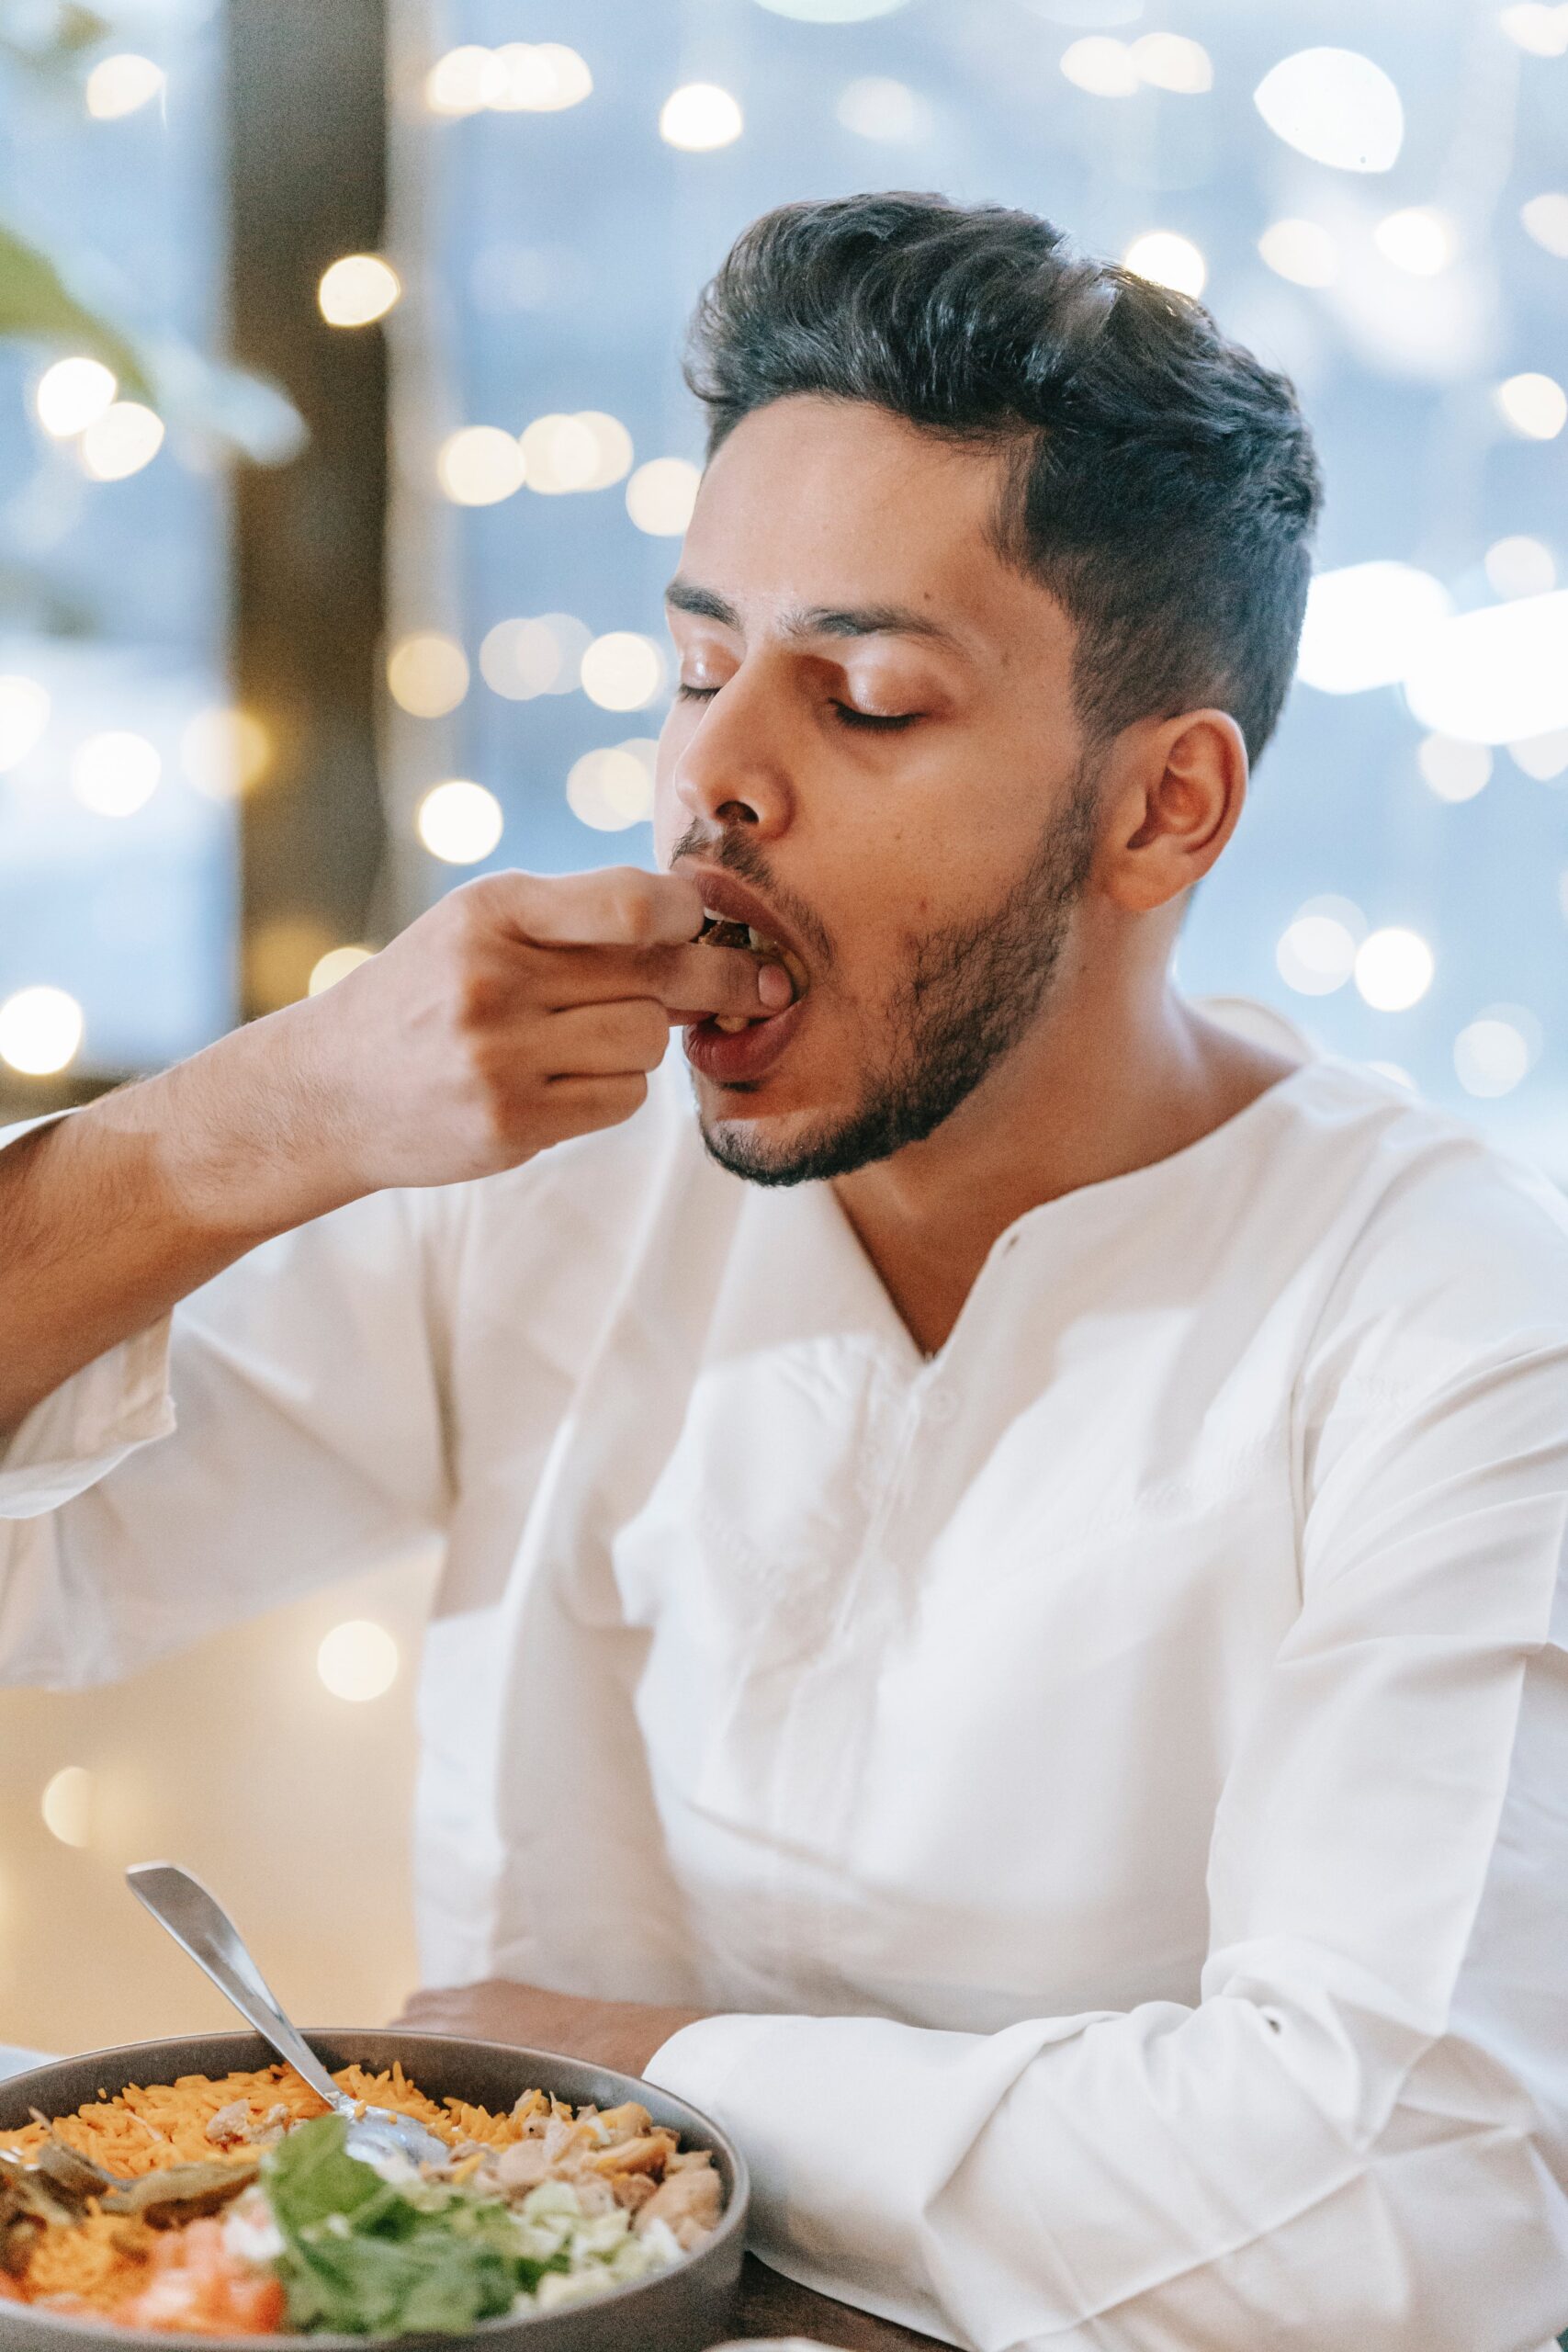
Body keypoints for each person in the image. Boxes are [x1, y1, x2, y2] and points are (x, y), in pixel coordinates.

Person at [3, 192, 1566, 2352]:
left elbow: (1403, 2208)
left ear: (1161, 814)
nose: (708, 785)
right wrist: (267, 1116)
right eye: (695, 665)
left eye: (861, 699)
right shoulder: (552, 1166)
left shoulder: (1449, 1320)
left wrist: (638, 2062)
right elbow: (33, 1560)